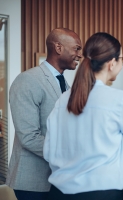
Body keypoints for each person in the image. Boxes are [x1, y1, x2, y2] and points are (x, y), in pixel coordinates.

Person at [43, 32, 123, 200]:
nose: (122, 64)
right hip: (100, 194)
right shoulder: (119, 99)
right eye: (122, 59)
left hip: (58, 193)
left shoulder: (63, 99)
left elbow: (48, 151)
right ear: (112, 63)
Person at [6, 28, 82, 200]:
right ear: (58, 48)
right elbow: (29, 137)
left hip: (57, 178)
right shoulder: (27, 80)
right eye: (77, 48)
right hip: (33, 181)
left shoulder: (64, 85)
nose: (79, 54)